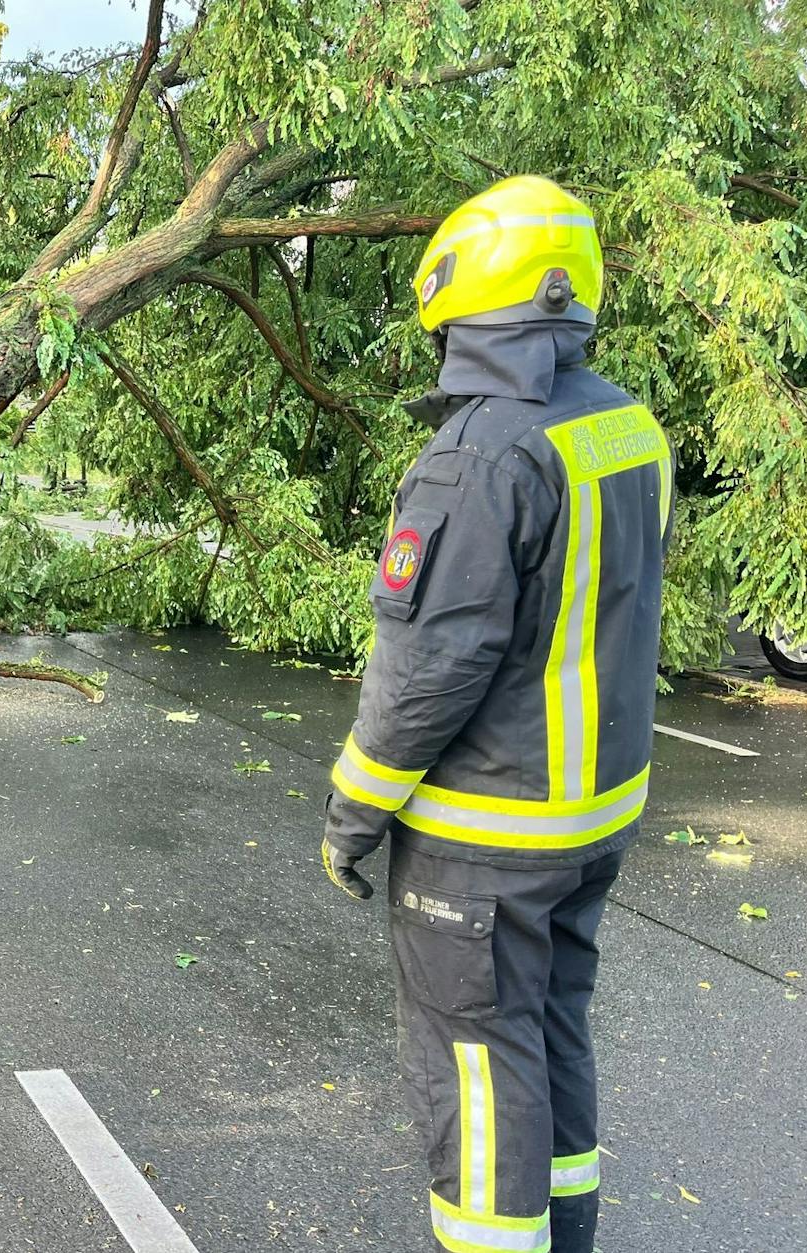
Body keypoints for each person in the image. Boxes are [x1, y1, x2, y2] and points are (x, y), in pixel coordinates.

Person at [321, 176, 671, 1253]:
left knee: (474, 1062)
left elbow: (427, 665)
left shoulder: (477, 454)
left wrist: (351, 812)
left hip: (488, 833)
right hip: (590, 819)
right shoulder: (625, 427)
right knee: (547, 1025)